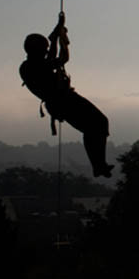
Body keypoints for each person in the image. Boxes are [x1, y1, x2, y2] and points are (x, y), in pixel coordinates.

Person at [20, 12, 114, 178]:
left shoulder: (31, 65)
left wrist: (57, 31)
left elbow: (52, 58)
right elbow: (60, 59)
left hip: (64, 101)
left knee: (97, 125)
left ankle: (99, 164)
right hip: (62, 102)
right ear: (36, 50)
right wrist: (58, 37)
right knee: (96, 124)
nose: (46, 50)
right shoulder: (31, 67)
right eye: (44, 48)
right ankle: (98, 165)